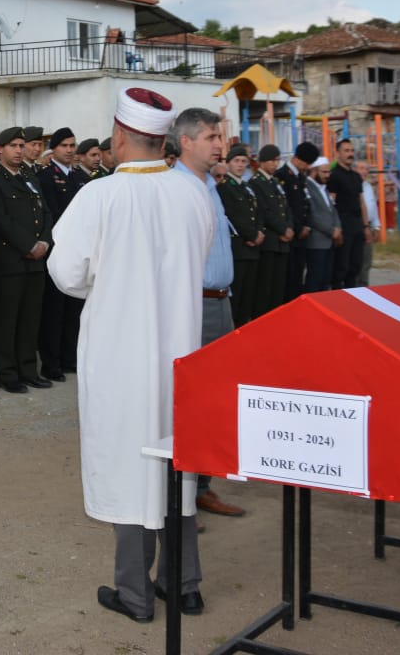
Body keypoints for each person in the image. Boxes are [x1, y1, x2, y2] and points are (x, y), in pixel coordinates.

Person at [48, 87, 215, 624]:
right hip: (181, 351)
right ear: (164, 138)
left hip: (123, 352)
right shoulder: (192, 192)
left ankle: (135, 594)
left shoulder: (99, 196)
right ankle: (183, 584)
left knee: (129, 465)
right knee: (178, 461)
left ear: (120, 136)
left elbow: (67, 272)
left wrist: (111, 281)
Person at [172, 108, 246, 520]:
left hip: (221, 301)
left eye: (220, 137)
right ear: (186, 141)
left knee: (216, 399)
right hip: (191, 303)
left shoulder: (212, 186)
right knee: (186, 401)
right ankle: (178, 499)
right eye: (212, 137)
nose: (221, 144)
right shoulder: (175, 188)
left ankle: (202, 487)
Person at [0, 126, 53, 396]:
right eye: (13, 146)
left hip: (35, 260)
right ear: (0, 149)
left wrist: (45, 242)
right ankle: (8, 373)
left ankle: (28, 370)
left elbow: (44, 212)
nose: (19, 150)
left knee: (30, 319)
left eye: (21, 146)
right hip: (10, 260)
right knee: (7, 319)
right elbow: (1, 220)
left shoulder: (29, 177)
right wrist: (28, 244)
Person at [38, 127, 89, 381]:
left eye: (72, 145)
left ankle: (70, 358)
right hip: (58, 248)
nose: (69, 150)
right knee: (54, 311)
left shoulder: (81, 177)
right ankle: (51, 363)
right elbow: (51, 213)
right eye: (64, 146)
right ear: (54, 149)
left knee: (74, 307)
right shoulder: (46, 176)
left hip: (79, 250)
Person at [217, 144, 263, 327]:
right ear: (228, 163)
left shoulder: (247, 187)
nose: (241, 165)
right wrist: (251, 235)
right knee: (238, 291)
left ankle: (245, 322)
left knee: (249, 293)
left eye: (244, 161)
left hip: (253, 248)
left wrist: (259, 231)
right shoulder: (225, 187)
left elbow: (258, 212)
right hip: (240, 246)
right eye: (236, 161)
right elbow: (233, 216)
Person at [249, 145, 293, 318]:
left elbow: (285, 207)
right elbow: (265, 211)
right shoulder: (256, 182)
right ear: (263, 162)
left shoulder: (274, 182)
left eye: (277, 160)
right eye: (272, 161)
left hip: (282, 242)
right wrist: (282, 229)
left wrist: (289, 227)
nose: (275, 164)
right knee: (266, 286)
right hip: (271, 240)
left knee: (278, 286)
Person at [276, 142, 317, 300]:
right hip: (291, 236)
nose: (307, 167)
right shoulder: (283, 176)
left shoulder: (301, 177)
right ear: (298, 160)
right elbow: (286, 207)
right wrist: (298, 228)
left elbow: (304, 204)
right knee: (290, 278)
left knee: (298, 276)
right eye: (306, 164)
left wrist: (307, 225)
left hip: (302, 237)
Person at [326, 139, 368, 289]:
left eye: (352, 151)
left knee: (356, 265)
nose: (350, 154)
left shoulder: (356, 176)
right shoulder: (334, 175)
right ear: (338, 153)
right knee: (341, 266)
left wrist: (366, 226)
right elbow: (331, 204)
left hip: (357, 224)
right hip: (343, 224)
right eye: (346, 151)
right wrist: (335, 228)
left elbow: (361, 201)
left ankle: (352, 296)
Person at [304, 157, 340, 293]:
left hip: (329, 242)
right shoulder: (308, 187)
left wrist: (338, 228)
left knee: (325, 279)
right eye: (324, 172)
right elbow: (313, 215)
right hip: (317, 242)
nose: (327, 175)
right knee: (315, 279)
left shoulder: (323, 188)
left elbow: (333, 210)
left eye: (328, 172)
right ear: (314, 171)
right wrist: (331, 231)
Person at [354, 160, 380, 286]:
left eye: (366, 169)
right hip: (356, 227)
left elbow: (373, 207)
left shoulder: (368, 187)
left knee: (366, 262)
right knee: (355, 263)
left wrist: (376, 226)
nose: (364, 172)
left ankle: (364, 289)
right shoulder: (351, 186)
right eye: (361, 168)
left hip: (369, 226)